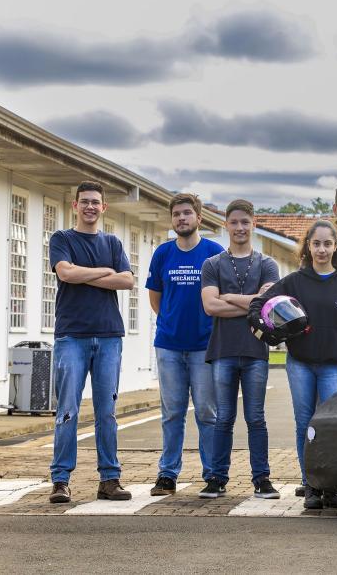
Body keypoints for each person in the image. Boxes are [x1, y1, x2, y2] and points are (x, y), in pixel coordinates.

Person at [249, 220, 337, 510]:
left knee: (330, 426)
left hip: (334, 366)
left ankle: (331, 486)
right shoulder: (294, 282)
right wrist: (261, 326)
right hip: (300, 364)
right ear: (308, 247)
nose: (322, 249)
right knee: (305, 423)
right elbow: (259, 304)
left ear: (336, 247)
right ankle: (311, 484)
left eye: (327, 244)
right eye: (316, 243)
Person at [48, 181, 136, 504]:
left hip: (109, 335)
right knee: (67, 410)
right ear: (75, 205)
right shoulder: (62, 239)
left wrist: (84, 273)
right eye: (84, 201)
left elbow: (127, 280)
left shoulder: (112, 242)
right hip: (72, 335)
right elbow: (65, 274)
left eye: (95, 202)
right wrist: (103, 272)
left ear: (103, 207)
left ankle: (109, 479)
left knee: (107, 412)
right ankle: (60, 481)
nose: (89, 206)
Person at [200, 199, 280, 501]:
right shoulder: (212, 264)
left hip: (255, 351)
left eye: (245, 222)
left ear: (253, 224)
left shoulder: (267, 264)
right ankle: (216, 479)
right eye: (234, 222)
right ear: (226, 225)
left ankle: (262, 479)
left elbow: (268, 305)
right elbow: (210, 306)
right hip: (223, 351)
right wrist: (251, 303)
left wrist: (228, 297)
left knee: (256, 418)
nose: (240, 227)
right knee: (223, 418)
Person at [145, 193, 224, 496]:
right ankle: (167, 474)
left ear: (198, 218)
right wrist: (171, 321)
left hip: (205, 346)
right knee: (172, 413)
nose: (181, 218)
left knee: (207, 413)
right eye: (177, 214)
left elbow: (220, 297)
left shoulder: (214, 253)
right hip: (168, 346)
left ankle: (213, 474)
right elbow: (156, 298)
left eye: (187, 213)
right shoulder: (163, 253)